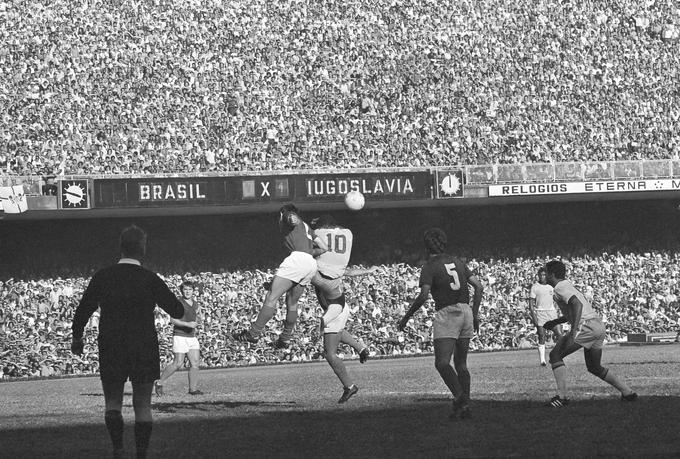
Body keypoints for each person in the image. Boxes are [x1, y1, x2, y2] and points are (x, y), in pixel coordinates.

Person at [71, 225, 184, 458]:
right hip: (143, 344)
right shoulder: (150, 278)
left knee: (113, 402)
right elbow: (177, 309)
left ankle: (118, 449)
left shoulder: (103, 276)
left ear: (120, 247)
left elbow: (82, 311)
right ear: (143, 248)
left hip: (111, 343)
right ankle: (141, 454)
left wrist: (77, 337)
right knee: (143, 404)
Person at [397, 228, 483, 420]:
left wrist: (406, 317)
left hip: (447, 312)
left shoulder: (430, 266)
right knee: (461, 364)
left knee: (442, 363)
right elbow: (478, 286)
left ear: (426, 246)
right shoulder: (458, 262)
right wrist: (475, 314)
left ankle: (461, 398)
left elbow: (423, 295)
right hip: (466, 311)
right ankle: (465, 407)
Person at [542, 260, 637, 407]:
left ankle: (562, 397)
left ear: (552, 274)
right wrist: (555, 322)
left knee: (555, 355)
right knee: (594, 367)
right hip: (597, 326)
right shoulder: (566, 285)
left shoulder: (559, 288)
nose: (544, 275)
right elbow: (574, 309)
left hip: (586, 326)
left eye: (546, 272)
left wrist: (573, 331)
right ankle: (628, 393)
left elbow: (577, 304)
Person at [309, 214, 377, 403]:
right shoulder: (333, 261)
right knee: (337, 332)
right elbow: (347, 271)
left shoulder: (316, 263)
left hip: (335, 308)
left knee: (329, 353)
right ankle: (361, 348)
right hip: (340, 305)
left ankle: (350, 386)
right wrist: (367, 271)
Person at [234, 203, 320, 347]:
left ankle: (253, 334)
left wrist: (290, 217)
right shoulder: (308, 229)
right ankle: (285, 339)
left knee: (271, 297)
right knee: (292, 302)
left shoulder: (287, 215)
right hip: (310, 263)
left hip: (298, 258)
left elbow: (292, 218)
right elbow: (323, 247)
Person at [155, 280, 203, 396]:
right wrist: (187, 324)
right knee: (178, 363)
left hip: (192, 336)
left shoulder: (196, 303)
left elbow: (198, 317)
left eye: (190, 289)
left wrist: (198, 320)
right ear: (182, 291)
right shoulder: (178, 302)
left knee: (195, 363)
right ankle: (159, 382)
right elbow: (172, 320)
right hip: (180, 335)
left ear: (193, 291)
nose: (187, 292)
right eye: (185, 289)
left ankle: (193, 389)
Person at [528, 267, 562, 366]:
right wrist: (534, 316)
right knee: (541, 336)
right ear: (538, 275)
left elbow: (557, 298)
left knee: (559, 334)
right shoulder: (535, 287)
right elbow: (531, 304)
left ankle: (558, 356)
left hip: (551, 312)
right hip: (540, 312)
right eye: (541, 275)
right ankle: (542, 360)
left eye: (544, 275)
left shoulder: (552, 286)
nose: (543, 277)